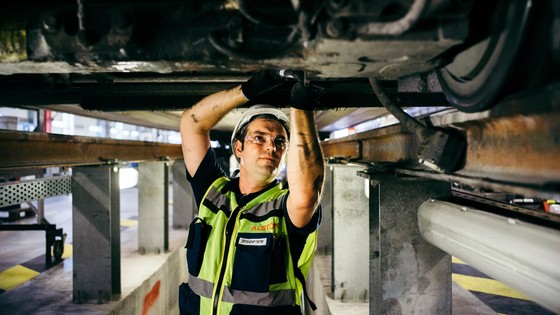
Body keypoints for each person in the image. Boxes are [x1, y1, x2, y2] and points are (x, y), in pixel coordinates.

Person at [178, 70, 325, 315]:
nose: (271, 146)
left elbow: (308, 192)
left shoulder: (283, 209)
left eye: (280, 142)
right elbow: (191, 123)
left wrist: (301, 107)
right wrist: (246, 91)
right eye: (259, 138)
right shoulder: (214, 194)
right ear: (239, 147)